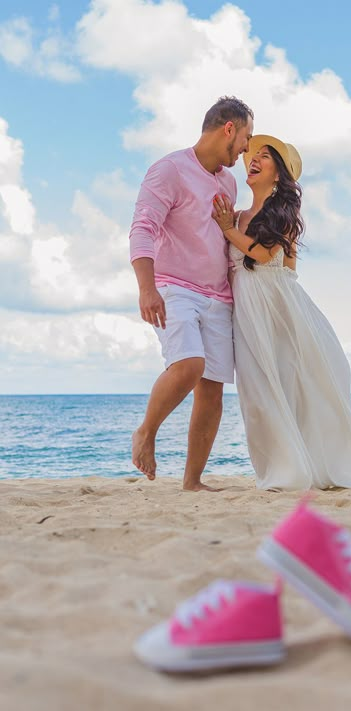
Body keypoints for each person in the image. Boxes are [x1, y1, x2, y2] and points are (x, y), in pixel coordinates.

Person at [212, 135, 351, 490]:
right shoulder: (240, 215)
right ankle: (282, 468)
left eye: (265, 156)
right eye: (254, 155)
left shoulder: (282, 213)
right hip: (248, 308)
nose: (255, 160)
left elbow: (262, 256)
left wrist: (228, 229)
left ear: (279, 174)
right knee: (256, 391)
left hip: (277, 307)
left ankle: (297, 470)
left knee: (291, 385)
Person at [129, 96, 254, 491]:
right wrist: (147, 288)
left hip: (219, 296)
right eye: (246, 137)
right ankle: (146, 432)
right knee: (188, 365)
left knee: (212, 390)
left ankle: (192, 481)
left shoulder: (229, 182)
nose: (247, 148)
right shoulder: (169, 170)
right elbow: (142, 229)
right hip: (174, 287)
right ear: (228, 129)